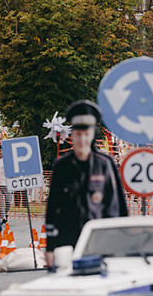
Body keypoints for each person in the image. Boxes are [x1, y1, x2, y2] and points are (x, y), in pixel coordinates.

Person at [45, 101, 128, 257]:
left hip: (102, 242)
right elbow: (52, 207)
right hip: (68, 243)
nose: (82, 140)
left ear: (92, 136)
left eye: (86, 135)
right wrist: (50, 248)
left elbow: (118, 206)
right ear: (72, 135)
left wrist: (123, 241)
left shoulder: (105, 164)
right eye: (78, 135)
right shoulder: (62, 166)